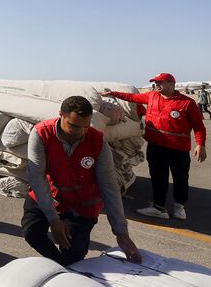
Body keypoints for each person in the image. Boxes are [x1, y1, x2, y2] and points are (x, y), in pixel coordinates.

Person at [23, 96, 142, 266]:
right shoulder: (42, 134)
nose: (80, 132)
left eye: (85, 127)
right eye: (73, 126)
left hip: (81, 203)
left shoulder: (97, 141)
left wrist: (121, 233)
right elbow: (37, 177)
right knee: (32, 233)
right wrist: (54, 220)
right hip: (49, 194)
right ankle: (60, 266)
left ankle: (67, 269)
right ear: (60, 115)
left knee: (74, 253)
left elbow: (109, 186)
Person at [104, 73, 206, 220]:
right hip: (156, 147)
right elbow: (131, 98)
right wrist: (113, 93)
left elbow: (199, 126)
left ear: (171, 84)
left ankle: (179, 207)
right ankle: (159, 208)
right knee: (158, 177)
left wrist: (200, 145)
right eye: (156, 82)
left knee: (181, 178)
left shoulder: (187, 103)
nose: (157, 85)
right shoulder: (152, 96)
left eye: (160, 82)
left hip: (178, 149)